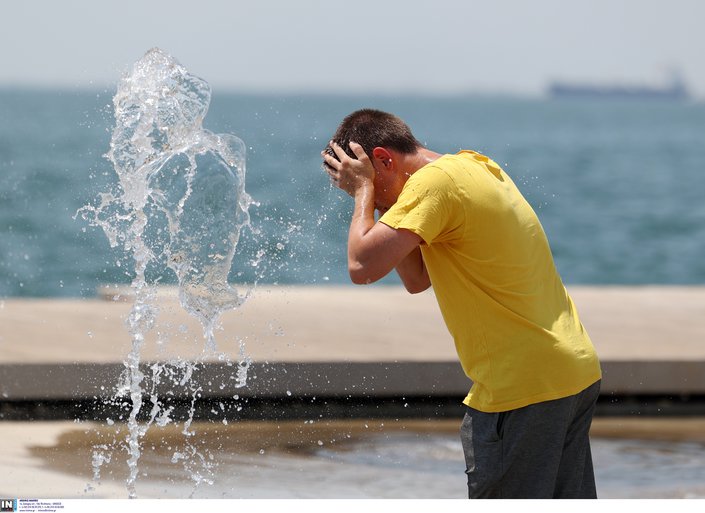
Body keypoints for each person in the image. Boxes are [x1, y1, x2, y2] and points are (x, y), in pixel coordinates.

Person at [321, 109, 602, 499]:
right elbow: (418, 279)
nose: (362, 195)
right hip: (569, 372)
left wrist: (364, 194)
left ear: (384, 159)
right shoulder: (473, 167)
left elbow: (361, 265)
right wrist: (382, 197)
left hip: (522, 387)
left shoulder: (433, 187)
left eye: (363, 181)